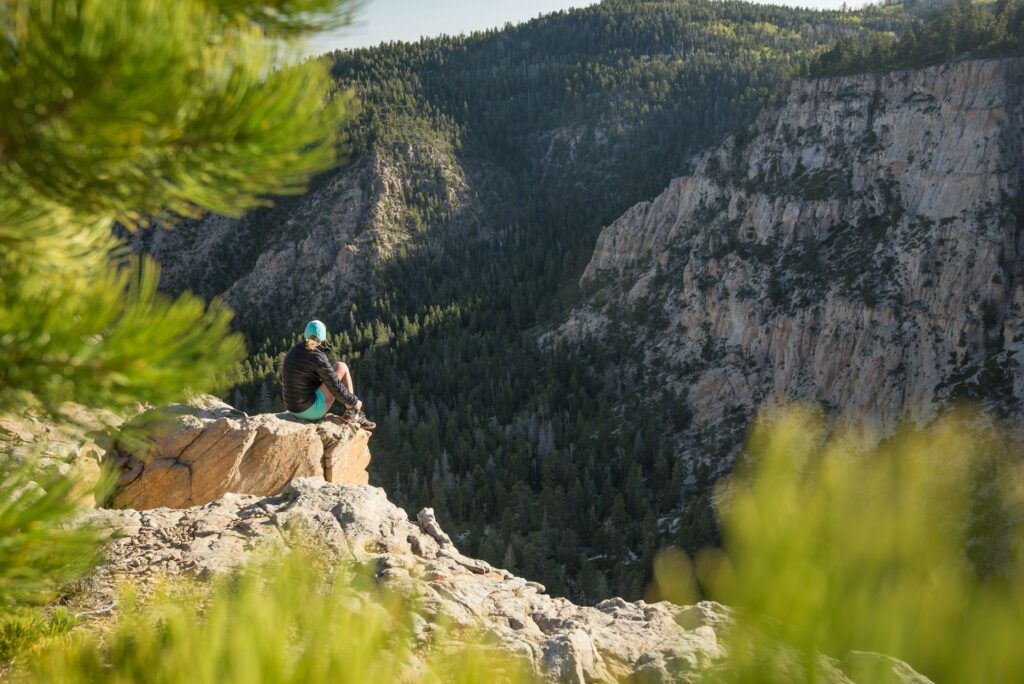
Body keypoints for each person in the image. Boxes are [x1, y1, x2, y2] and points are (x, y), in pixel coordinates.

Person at [280, 320, 375, 430]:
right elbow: (335, 386)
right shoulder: (317, 356)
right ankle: (353, 412)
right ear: (322, 339)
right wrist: (354, 401)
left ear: (305, 333)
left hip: (291, 408)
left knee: (332, 374)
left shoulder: (293, 350)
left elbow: (283, 379)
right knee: (341, 366)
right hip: (308, 411)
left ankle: (352, 412)